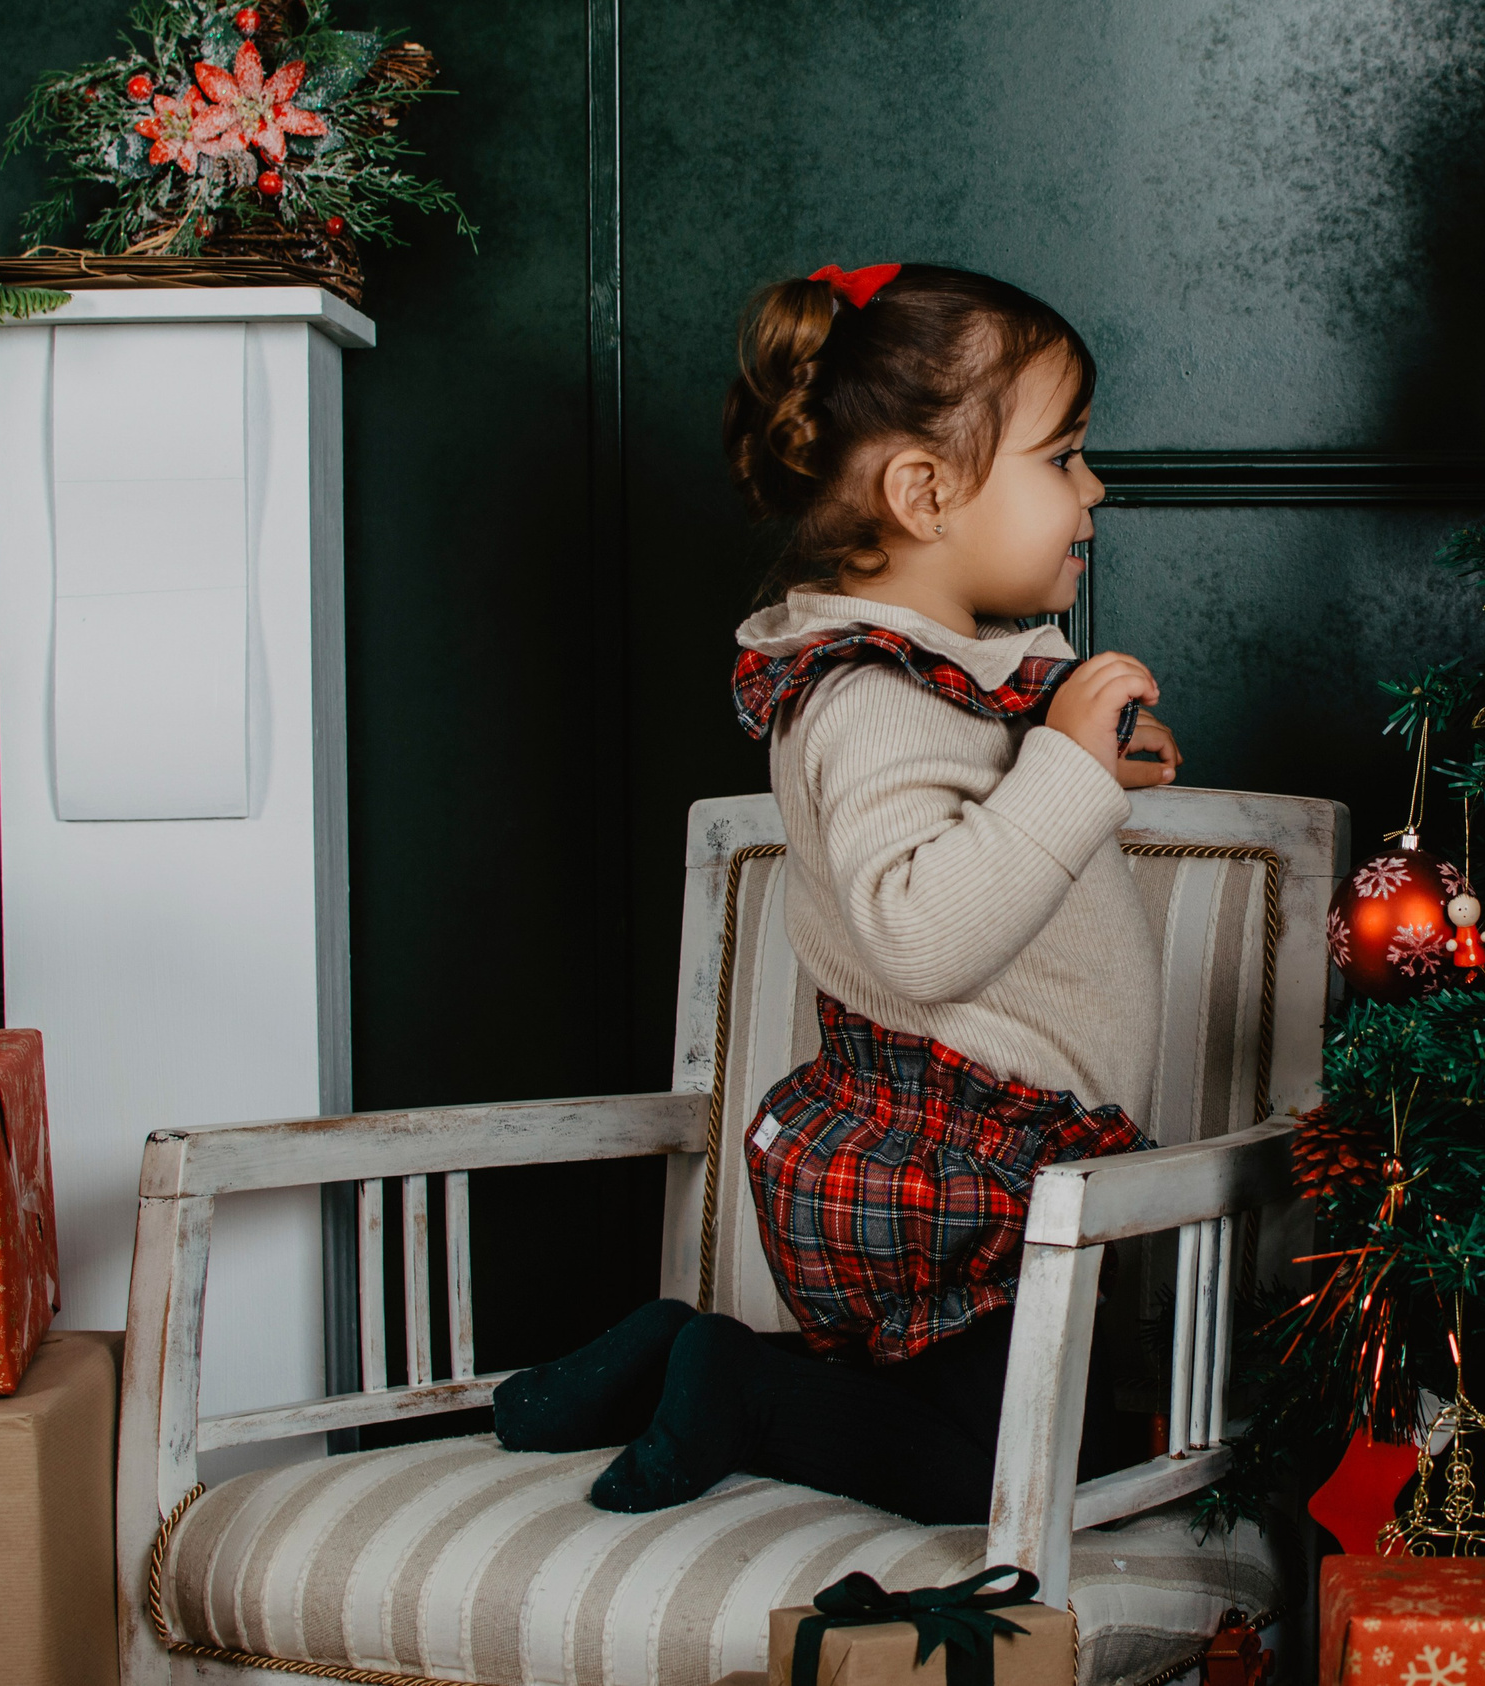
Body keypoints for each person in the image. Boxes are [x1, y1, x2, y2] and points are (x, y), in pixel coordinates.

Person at [491, 262, 1176, 1525]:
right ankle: (736, 1389)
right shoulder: (867, 698)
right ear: (924, 493)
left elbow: (987, 818)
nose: (1093, 490)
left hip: (1000, 1154)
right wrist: (1068, 771)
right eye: (1065, 456)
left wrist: (1083, 761)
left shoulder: (941, 671)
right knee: (997, 1465)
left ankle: (667, 1356)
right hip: (960, 1161)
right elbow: (919, 930)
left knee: (988, 1414)